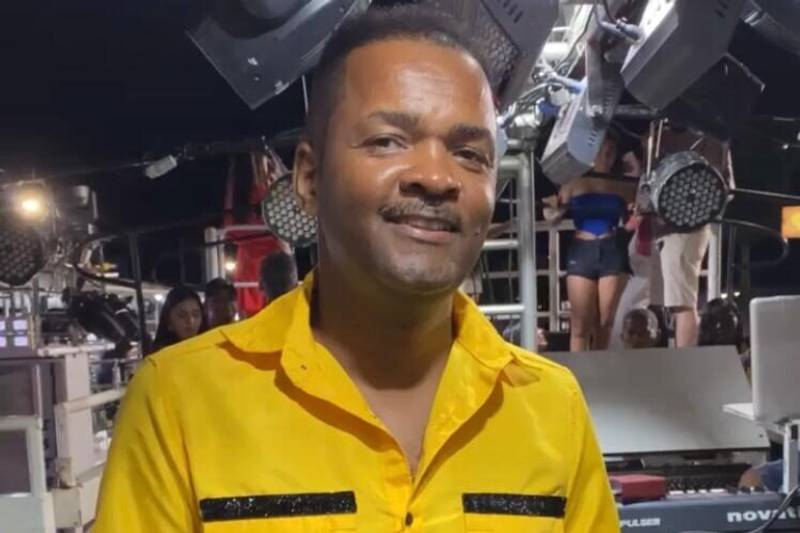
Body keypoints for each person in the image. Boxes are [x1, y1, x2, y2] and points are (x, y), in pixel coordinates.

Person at [95, 7, 618, 532]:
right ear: (309, 178)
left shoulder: (551, 408)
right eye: (387, 141)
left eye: (469, 153)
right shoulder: (181, 403)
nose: (436, 176)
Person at [544, 132, 637, 351]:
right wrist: (552, 208)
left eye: (612, 149)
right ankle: (577, 369)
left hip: (611, 248)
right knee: (579, 326)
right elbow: (553, 218)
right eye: (603, 148)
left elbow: (635, 217)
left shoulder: (623, 184)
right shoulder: (574, 181)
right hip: (582, 250)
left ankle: (601, 365)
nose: (607, 153)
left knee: (605, 322)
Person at [151, 286, 206, 351]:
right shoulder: (161, 354)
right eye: (182, 315)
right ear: (169, 322)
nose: (191, 321)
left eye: (195, 315)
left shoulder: (208, 348)